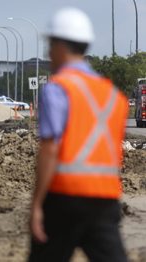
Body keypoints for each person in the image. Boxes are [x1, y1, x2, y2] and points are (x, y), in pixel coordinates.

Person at [29, 7, 128, 262]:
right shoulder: (114, 96)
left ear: (61, 46)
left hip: (65, 197)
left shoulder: (58, 89)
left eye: (50, 45)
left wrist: (37, 204)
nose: (48, 53)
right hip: (105, 199)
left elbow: (50, 149)